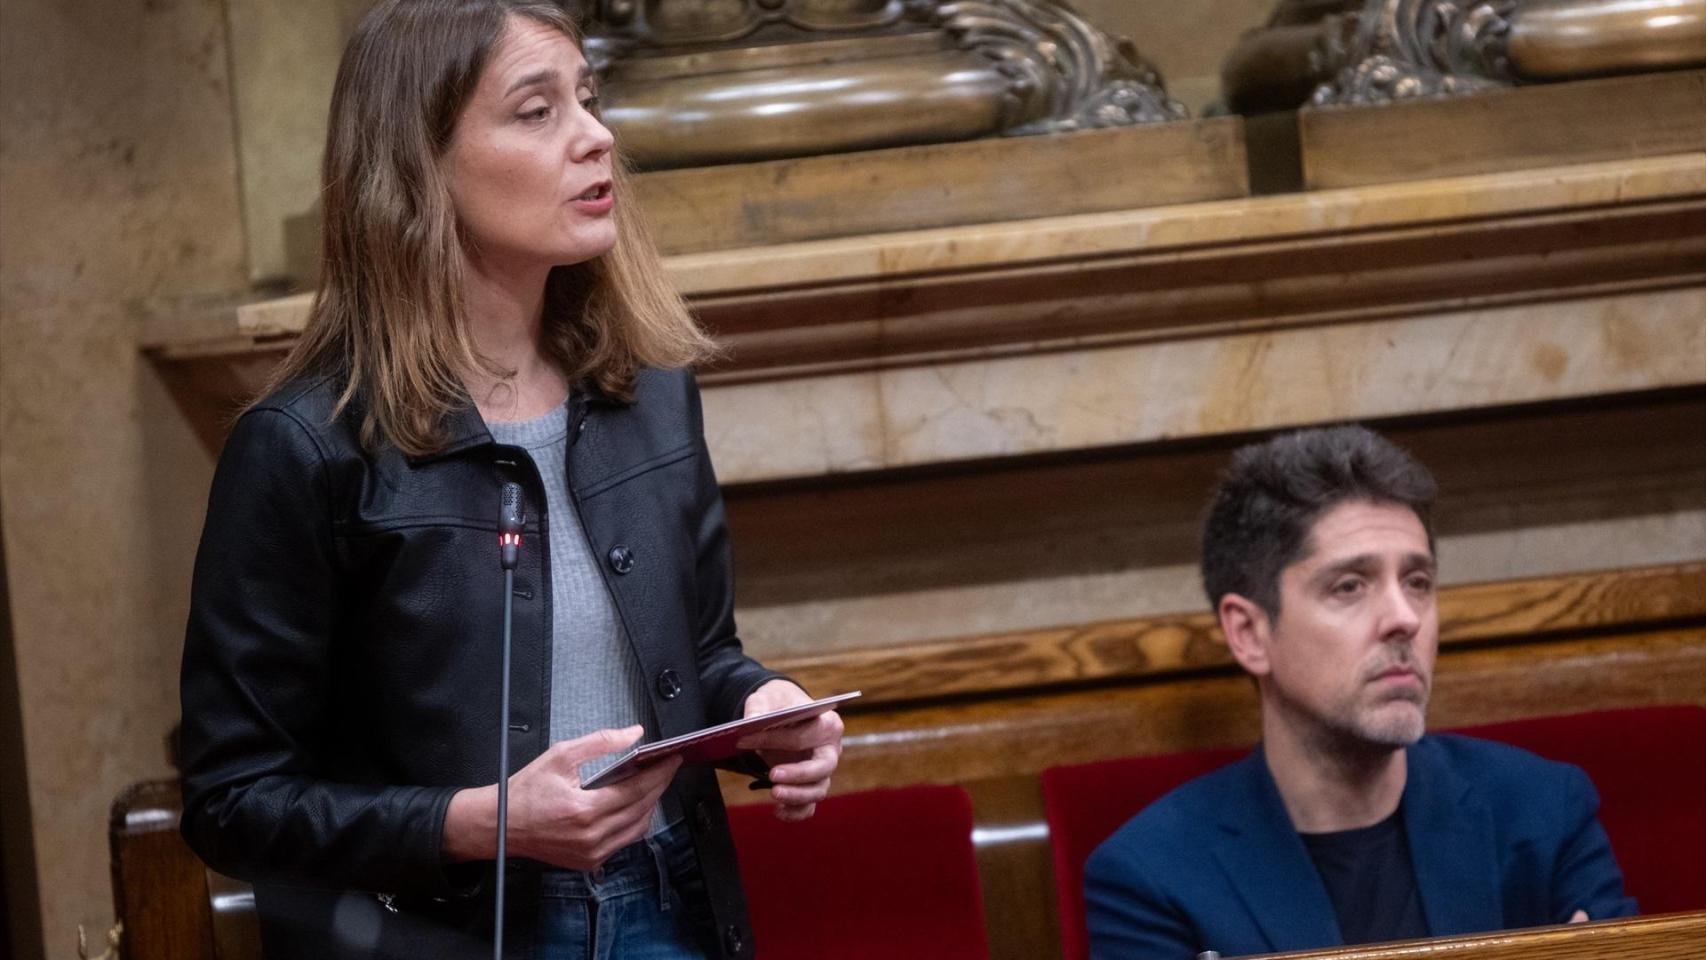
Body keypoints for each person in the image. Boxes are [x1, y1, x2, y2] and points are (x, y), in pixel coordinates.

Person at [176, 2, 842, 957]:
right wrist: (481, 821)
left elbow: (696, 658)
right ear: (418, 166)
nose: (597, 136)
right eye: (538, 112)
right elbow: (232, 799)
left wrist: (760, 709)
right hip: (448, 932)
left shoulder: (649, 393)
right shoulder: (301, 447)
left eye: (590, 98)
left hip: (672, 899)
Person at [1084, 425, 1635, 959]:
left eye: (1417, 583)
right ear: (1249, 634)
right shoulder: (1151, 876)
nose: (1404, 619)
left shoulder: (1543, 811)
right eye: (1349, 586)